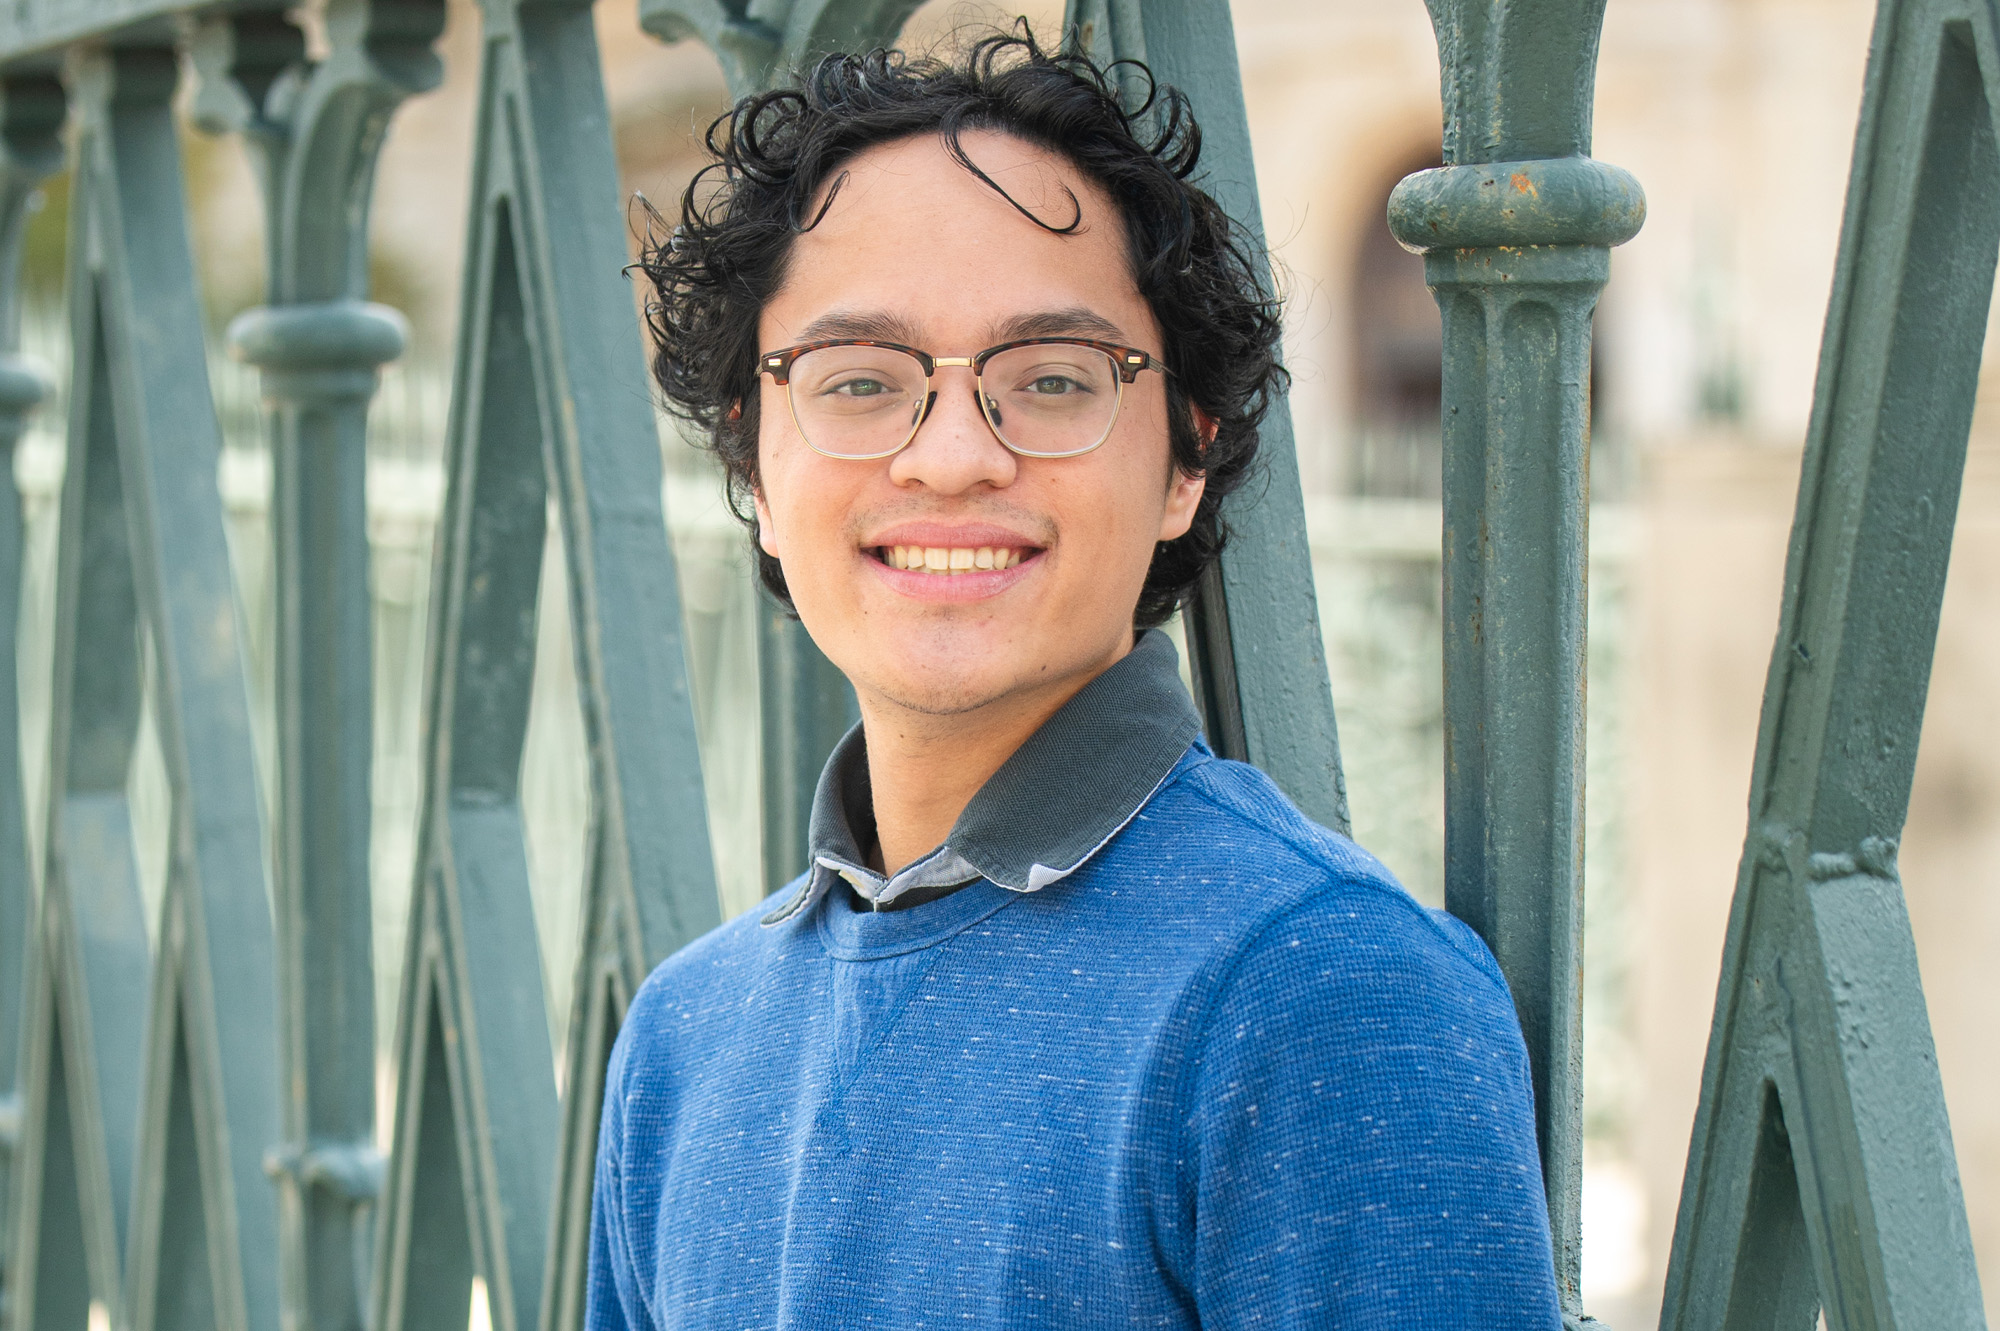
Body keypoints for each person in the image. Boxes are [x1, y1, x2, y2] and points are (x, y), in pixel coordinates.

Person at [588, 28, 1561, 1329]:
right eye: (859, 381)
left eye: (1050, 378)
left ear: (1185, 459)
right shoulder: (684, 1043)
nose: (949, 457)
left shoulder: (1324, 996)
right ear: (755, 470)